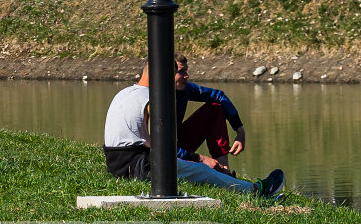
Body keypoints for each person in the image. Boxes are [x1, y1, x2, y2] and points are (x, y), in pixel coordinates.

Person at [104, 64, 283, 198]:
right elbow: (161, 148)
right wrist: (199, 159)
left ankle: (227, 174)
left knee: (198, 165)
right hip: (140, 167)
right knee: (201, 171)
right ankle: (256, 190)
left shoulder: (124, 93)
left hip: (115, 165)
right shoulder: (154, 99)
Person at [172, 55, 247, 174]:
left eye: (186, 70)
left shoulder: (185, 89)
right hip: (160, 153)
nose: (187, 76)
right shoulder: (150, 97)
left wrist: (240, 130)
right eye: (181, 72)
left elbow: (219, 96)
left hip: (177, 145)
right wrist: (201, 159)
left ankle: (223, 171)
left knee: (214, 108)